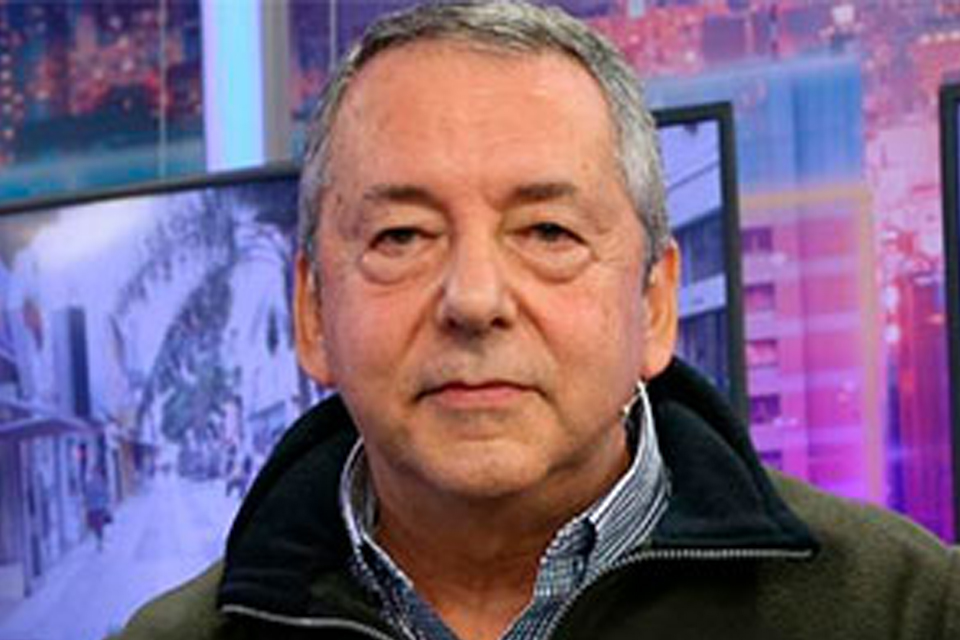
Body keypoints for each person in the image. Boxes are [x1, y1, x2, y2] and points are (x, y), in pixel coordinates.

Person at [113, 2, 959, 639]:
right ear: (311, 313)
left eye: (548, 232)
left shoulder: (904, 611)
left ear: (654, 304)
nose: (475, 299)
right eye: (402, 236)